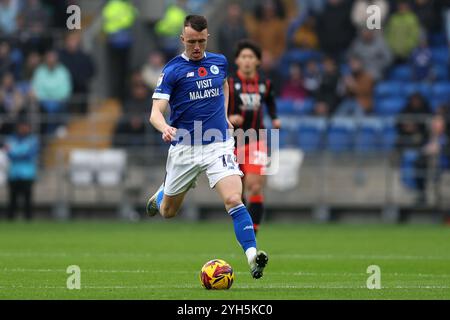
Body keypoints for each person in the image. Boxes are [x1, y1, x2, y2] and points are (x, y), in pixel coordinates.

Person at [146, 15, 269, 279]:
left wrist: (224, 116)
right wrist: (164, 127)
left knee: (234, 198)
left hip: (218, 145)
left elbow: (224, 86)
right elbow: (155, 112)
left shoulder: (220, 62)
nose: (197, 47)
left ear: (207, 38)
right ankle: (161, 194)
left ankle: (252, 257)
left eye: (201, 41)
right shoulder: (171, 70)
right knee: (168, 212)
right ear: (182, 39)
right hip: (185, 148)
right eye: (191, 42)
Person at [228, 40, 280, 236]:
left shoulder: (265, 84)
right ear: (237, 61)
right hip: (231, 144)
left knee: (255, 187)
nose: (247, 61)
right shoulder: (229, 84)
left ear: (257, 61)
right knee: (236, 195)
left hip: (256, 141)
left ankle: (253, 234)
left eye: (251, 57)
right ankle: (243, 230)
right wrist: (229, 117)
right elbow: (218, 109)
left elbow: (271, 103)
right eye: (244, 57)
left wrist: (275, 118)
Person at [3, 119, 39, 220]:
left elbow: (30, 154)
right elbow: (9, 154)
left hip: (27, 173)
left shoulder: (32, 139)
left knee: (27, 199)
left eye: (26, 127)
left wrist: (16, 152)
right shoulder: (11, 139)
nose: (24, 129)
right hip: (14, 173)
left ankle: (28, 220)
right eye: (22, 126)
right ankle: (11, 220)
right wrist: (20, 152)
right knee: (12, 199)